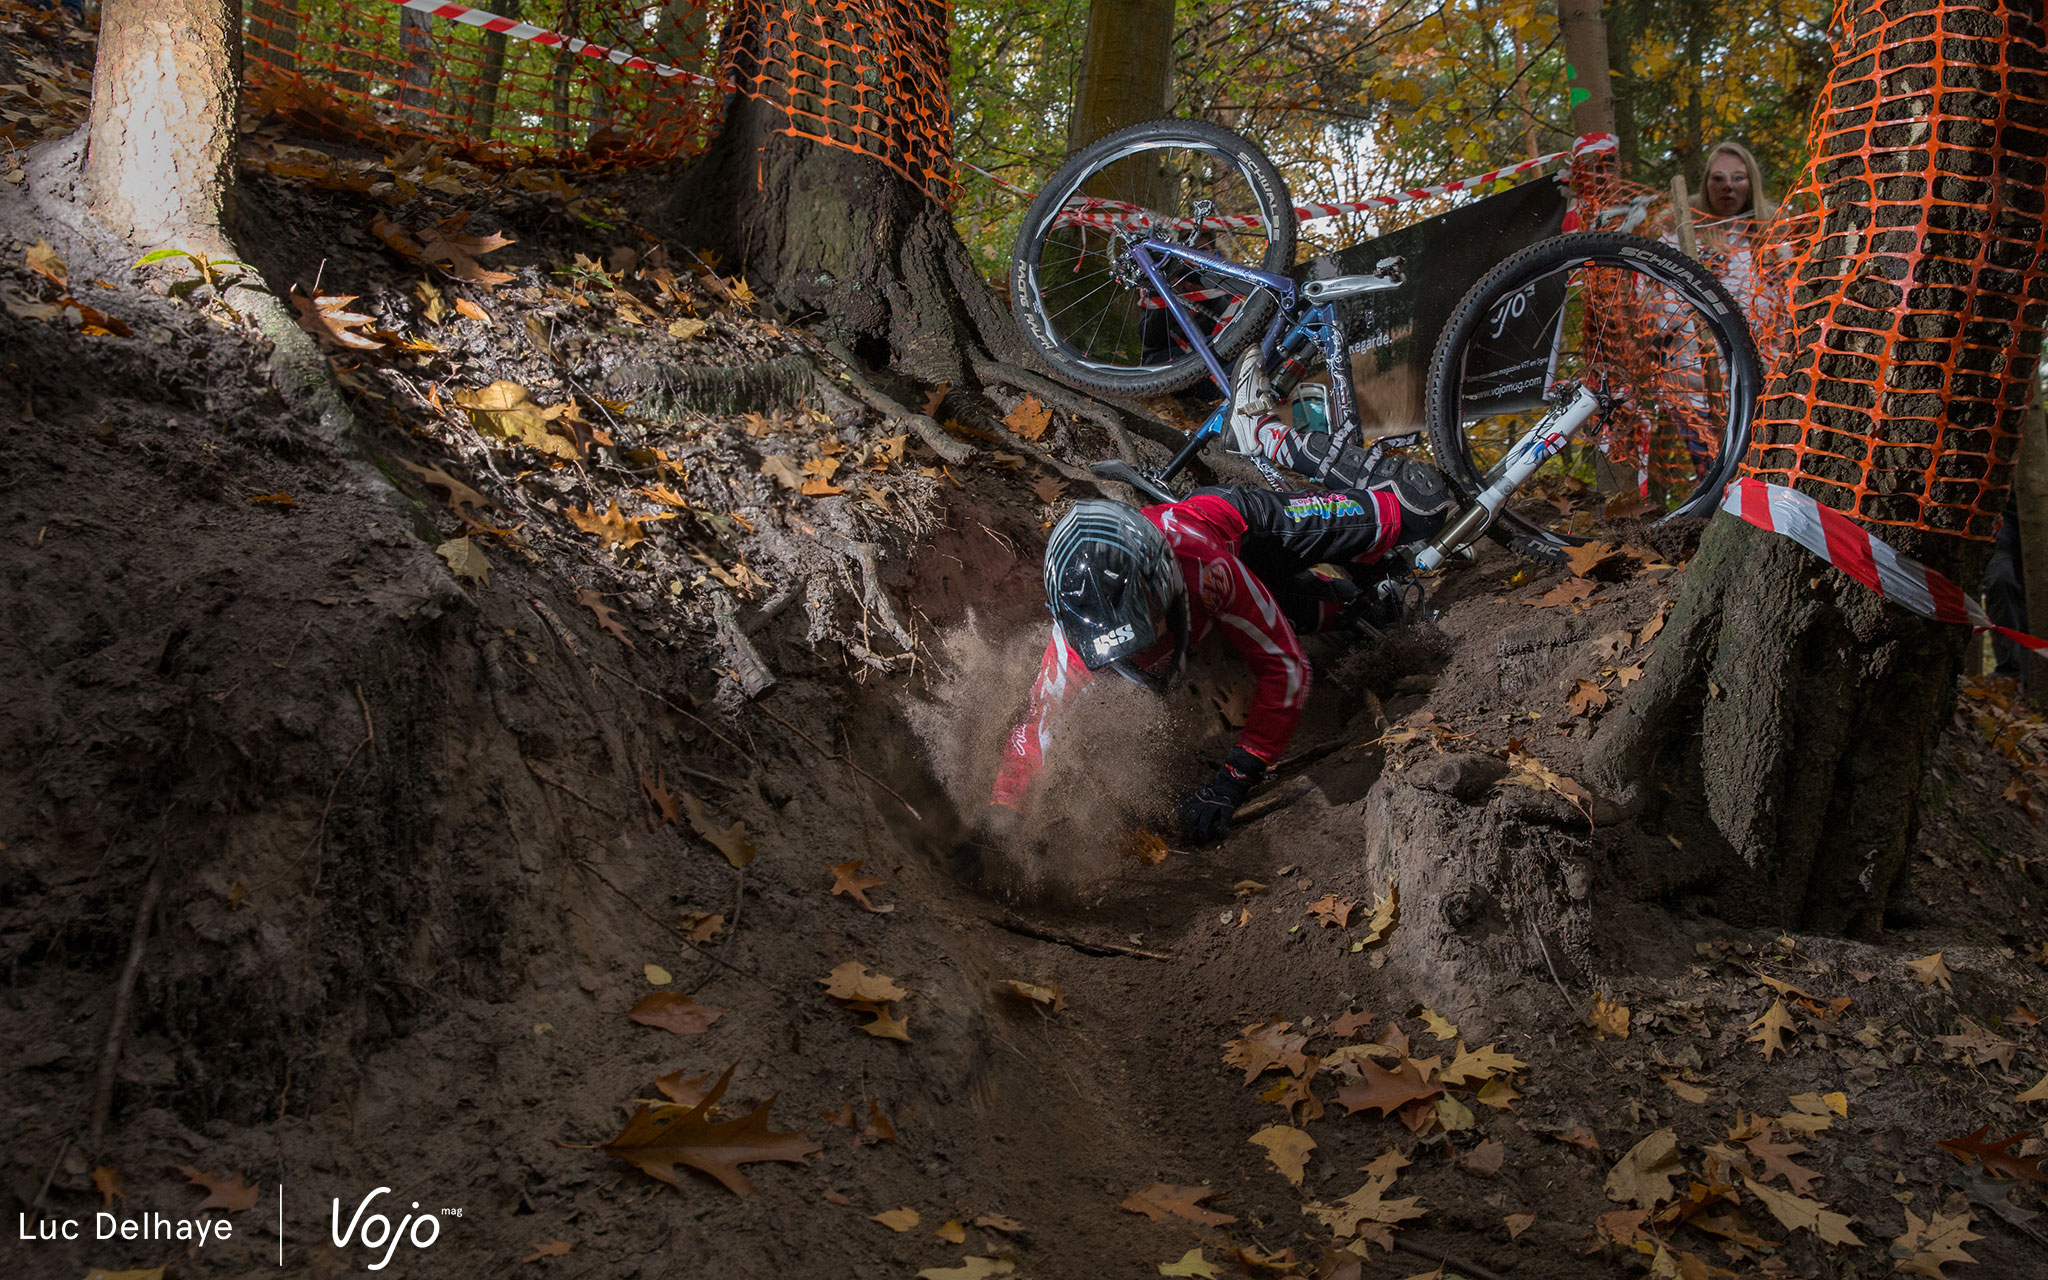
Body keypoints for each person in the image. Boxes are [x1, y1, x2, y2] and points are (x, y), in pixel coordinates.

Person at [990, 352, 1454, 843]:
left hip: (1250, 530)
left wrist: (1234, 779)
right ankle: (1347, 594)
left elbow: (1287, 668)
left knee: (1423, 505)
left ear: (1163, 582)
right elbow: (1037, 726)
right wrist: (1002, 817)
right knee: (1367, 611)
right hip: (1222, 590)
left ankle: (1263, 433)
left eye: (1149, 623)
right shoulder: (1074, 631)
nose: (1145, 655)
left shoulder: (1203, 568)